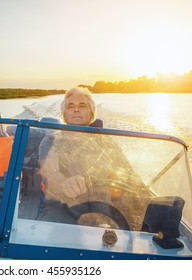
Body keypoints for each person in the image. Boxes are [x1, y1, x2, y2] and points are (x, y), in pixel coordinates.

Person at [37, 87, 148, 227]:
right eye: (70, 106)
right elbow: (48, 171)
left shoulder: (106, 142)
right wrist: (64, 182)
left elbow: (127, 172)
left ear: (91, 113)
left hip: (103, 207)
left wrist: (146, 197)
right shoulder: (51, 140)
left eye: (82, 106)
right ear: (64, 115)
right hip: (61, 207)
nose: (76, 109)